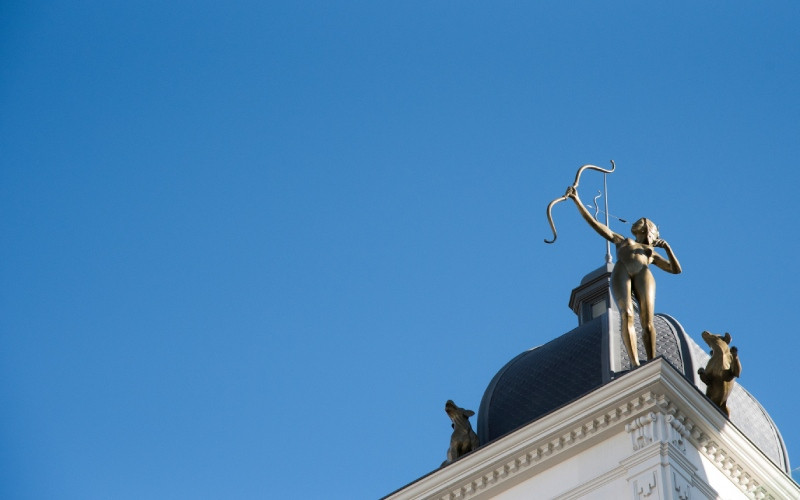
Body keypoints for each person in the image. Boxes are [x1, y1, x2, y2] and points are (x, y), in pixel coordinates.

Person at [565, 186, 682, 367]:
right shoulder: (624, 241)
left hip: (643, 273)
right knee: (626, 314)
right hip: (622, 270)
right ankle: (635, 363)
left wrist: (667, 248)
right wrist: (577, 200)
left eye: (644, 223)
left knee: (647, 321)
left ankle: (652, 363)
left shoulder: (651, 252)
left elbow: (675, 269)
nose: (640, 223)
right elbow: (598, 226)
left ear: (649, 232)